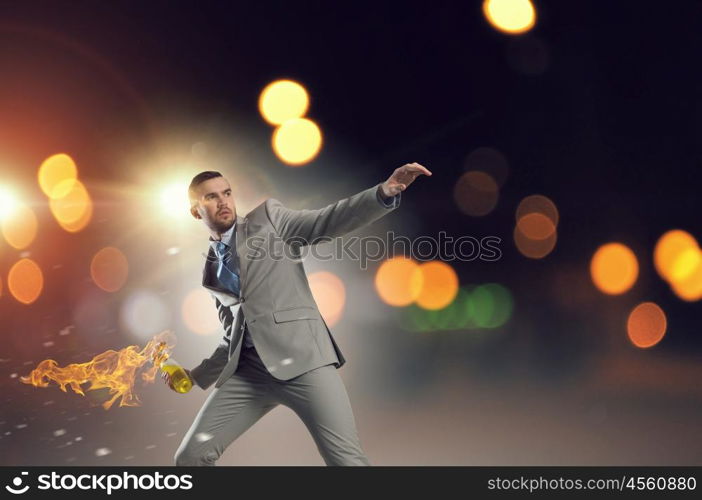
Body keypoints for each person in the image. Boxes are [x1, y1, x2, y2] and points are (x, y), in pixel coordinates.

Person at [163, 162, 432, 466]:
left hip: (304, 362)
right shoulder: (210, 273)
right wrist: (195, 376)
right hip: (251, 373)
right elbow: (232, 338)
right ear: (195, 211)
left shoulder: (268, 220)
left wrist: (382, 193)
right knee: (190, 457)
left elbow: (326, 221)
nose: (223, 201)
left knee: (346, 461)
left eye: (226, 192)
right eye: (211, 197)